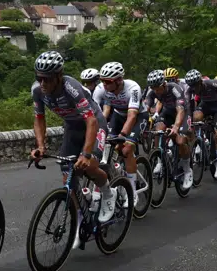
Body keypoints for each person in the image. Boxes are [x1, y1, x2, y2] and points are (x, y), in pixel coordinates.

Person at [30, 51, 114, 241]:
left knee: (90, 165)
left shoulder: (71, 88)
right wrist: (40, 146)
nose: (42, 83)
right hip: (72, 127)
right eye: (39, 78)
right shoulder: (37, 90)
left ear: (58, 77)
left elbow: (91, 121)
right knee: (68, 174)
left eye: (47, 79)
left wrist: (85, 154)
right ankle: (81, 216)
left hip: (94, 124)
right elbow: (39, 119)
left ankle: (108, 192)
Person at [92, 62, 145, 197]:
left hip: (138, 116)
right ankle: (116, 174)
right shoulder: (100, 89)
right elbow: (93, 116)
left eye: (108, 81)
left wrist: (122, 135)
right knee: (105, 147)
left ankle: (132, 191)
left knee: (126, 149)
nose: (104, 85)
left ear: (119, 80)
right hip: (118, 115)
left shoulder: (132, 88)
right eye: (102, 81)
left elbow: (132, 115)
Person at [145, 69, 194, 192]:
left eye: (157, 87)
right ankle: (159, 159)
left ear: (164, 84)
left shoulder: (174, 89)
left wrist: (176, 127)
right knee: (158, 130)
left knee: (180, 140)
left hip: (182, 113)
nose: (155, 90)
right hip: (167, 112)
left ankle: (187, 169)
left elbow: (181, 110)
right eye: (153, 87)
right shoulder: (152, 91)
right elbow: (145, 107)